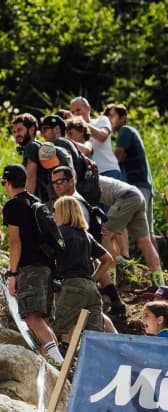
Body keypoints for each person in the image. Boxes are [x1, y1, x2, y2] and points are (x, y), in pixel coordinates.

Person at [0, 164, 66, 366]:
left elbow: (16, 241)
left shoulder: (14, 205)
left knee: (30, 316)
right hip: (47, 268)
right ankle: (52, 367)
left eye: (4, 183)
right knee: (43, 320)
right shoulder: (35, 202)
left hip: (29, 269)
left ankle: (59, 360)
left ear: (8, 183)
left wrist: (12, 275)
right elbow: (23, 225)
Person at [51, 166, 125, 318]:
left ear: (72, 181)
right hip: (88, 264)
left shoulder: (73, 204)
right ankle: (115, 302)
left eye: (60, 181)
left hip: (78, 273)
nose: (56, 185)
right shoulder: (75, 201)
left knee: (67, 323)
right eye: (53, 182)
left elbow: (77, 235)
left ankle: (115, 301)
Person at [52, 196, 113, 352]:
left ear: (62, 212)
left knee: (58, 330)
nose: (53, 214)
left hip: (71, 284)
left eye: (55, 210)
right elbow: (108, 260)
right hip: (92, 290)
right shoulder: (86, 235)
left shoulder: (61, 232)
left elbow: (49, 254)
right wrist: (92, 280)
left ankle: (59, 366)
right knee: (95, 337)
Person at [105, 103, 157, 252]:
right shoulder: (127, 133)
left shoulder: (125, 131)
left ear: (123, 118)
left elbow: (119, 156)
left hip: (137, 186)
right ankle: (159, 270)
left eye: (113, 115)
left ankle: (124, 258)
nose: (109, 119)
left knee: (141, 232)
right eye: (107, 116)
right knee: (146, 233)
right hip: (142, 185)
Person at [99, 175, 165, 290]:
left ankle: (111, 284)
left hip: (127, 197)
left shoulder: (83, 183)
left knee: (105, 235)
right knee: (145, 241)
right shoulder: (92, 176)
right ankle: (160, 285)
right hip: (136, 194)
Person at [69, 96, 121, 179]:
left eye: (78, 110)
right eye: (72, 112)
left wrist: (80, 122)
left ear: (88, 108)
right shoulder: (72, 131)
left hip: (109, 170)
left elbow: (102, 136)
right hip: (90, 176)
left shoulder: (101, 120)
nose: (75, 114)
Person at [11, 113, 46, 202]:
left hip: (41, 202)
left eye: (19, 130)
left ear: (32, 129)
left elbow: (30, 177)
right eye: (14, 132)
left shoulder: (31, 147)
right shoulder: (39, 145)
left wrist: (26, 203)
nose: (16, 135)